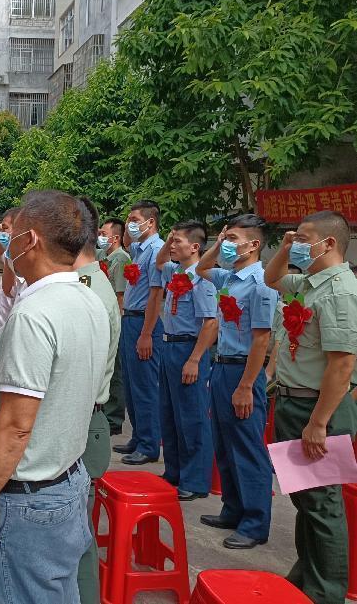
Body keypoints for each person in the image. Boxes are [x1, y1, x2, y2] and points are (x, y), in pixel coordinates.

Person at [0, 190, 108, 604]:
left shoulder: (34, 313)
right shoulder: (88, 297)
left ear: (31, 240)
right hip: (68, 480)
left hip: (29, 500)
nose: (6, 243)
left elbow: (16, 426)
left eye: (13, 233)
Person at [264, 210, 357, 603]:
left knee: (323, 506)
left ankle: (327, 592)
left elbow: (343, 362)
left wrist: (318, 423)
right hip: (293, 403)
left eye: (303, 238)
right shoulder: (309, 283)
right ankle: (306, 575)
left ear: (329, 243)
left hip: (317, 411)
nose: (296, 243)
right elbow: (272, 279)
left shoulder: (339, 291)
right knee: (306, 501)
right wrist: (286, 248)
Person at [196, 214, 277, 549]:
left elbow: (261, 340)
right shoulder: (229, 277)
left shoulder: (261, 283)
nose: (226, 244)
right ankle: (233, 508)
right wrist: (218, 244)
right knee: (225, 443)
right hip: (223, 366)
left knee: (247, 446)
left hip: (245, 370)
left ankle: (255, 522)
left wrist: (246, 386)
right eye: (225, 238)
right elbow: (200, 269)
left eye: (233, 239)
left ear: (253, 245)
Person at [72, 198, 121, 604]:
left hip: (81, 423)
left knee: (74, 536)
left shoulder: (87, 291)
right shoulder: (81, 284)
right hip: (81, 419)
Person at [154, 221, 218, 500]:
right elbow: (158, 263)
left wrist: (195, 359)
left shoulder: (202, 278)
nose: (172, 246)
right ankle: (174, 471)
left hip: (189, 349)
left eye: (178, 241)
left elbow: (211, 323)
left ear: (195, 247)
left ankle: (194, 480)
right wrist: (168, 240)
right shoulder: (174, 270)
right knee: (168, 413)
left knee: (191, 416)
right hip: (169, 345)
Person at [114, 200, 165, 465]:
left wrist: (146, 333)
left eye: (135, 219)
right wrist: (129, 227)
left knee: (145, 385)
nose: (130, 224)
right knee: (132, 384)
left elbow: (156, 296)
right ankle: (138, 436)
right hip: (130, 320)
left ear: (151, 222)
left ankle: (149, 443)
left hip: (146, 322)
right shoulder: (138, 249)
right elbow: (125, 241)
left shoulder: (157, 250)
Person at [97, 218, 130, 434]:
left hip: (114, 319)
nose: (99, 237)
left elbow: (121, 296)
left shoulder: (121, 259)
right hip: (100, 319)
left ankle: (114, 418)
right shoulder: (103, 256)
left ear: (115, 238)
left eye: (103, 233)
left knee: (115, 370)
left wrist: (116, 324)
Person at [0, 207, 23, 337]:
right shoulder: (10, 258)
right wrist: (2, 234)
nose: (2, 233)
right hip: (0, 334)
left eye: (5, 229)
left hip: (10, 336)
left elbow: (7, 289)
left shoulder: (22, 263)